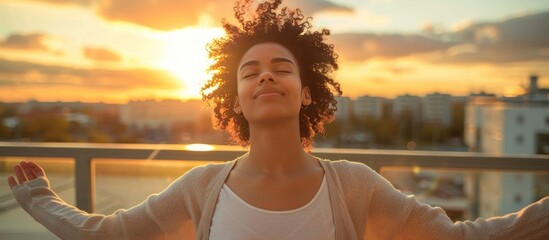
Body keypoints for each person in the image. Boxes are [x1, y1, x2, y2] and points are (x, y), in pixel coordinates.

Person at [7, 0, 549, 239]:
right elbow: (113, 235)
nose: (265, 77)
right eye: (250, 72)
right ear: (236, 100)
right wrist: (42, 201)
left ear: (306, 90)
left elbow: (461, 238)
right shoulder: (201, 189)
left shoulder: (356, 186)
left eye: (281, 67)